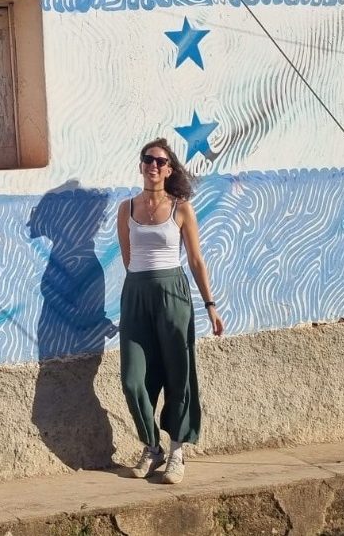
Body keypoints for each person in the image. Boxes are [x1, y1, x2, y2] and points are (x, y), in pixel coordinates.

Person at [117, 137, 223, 484]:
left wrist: (210, 305)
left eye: (161, 161)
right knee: (133, 380)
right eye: (148, 159)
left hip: (172, 294)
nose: (154, 165)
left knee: (179, 372)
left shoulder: (181, 208)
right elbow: (128, 257)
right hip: (136, 294)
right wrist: (139, 291)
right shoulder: (126, 208)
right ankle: (152, 446)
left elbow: (196, 260)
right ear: (141, 165)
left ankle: (177, 451)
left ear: (169, 169)